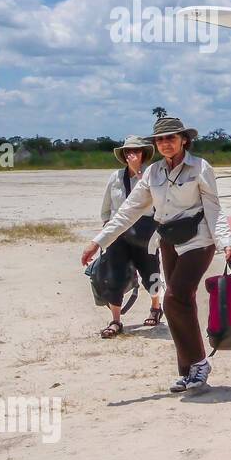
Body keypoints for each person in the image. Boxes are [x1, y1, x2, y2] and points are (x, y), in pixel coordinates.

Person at [81, 116, 231, 394]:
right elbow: (127, 211)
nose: (166, 143)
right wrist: (98, 242)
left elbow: (214, 208)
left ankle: (199, 364)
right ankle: (188, 371)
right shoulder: (152, 173)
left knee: (173, 297)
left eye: (171, 138)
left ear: (184, 140)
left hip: (199, 239)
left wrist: (226, 242)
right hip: (168, 240)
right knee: (180, 302)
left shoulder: (200, 167)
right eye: (161, 139)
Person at [95, 135, 163, 337]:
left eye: (135, 151)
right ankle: (116, 320)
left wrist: (137, 172)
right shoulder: (115, 177)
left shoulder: (152, 177)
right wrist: (107, 227)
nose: (131, 155)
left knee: (151, 272)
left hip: (145, 233)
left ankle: (155, 306)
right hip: (119, 233)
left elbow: (155, 201)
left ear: (143, 154)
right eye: (127, 152)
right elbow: (106, 208)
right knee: (113, 275)